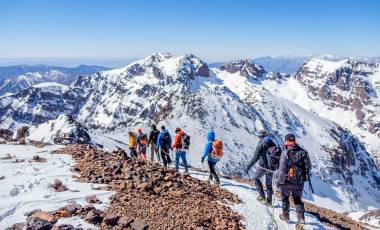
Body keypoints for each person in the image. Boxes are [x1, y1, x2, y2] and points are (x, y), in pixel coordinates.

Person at [276, 133, 312, 227]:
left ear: (287, 141)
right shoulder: (303, 152)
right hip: (299, 182)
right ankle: (301, 219)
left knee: (285, 199)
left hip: (286, 182)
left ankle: (286, 216)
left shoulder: (285, 153)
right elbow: (309, 167)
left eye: (285, 140)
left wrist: (278, 183)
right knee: (297, 199)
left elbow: (282, 170)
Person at [245, 129, 278, 205]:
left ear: (259, 136)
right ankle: (269, 202)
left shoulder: (261, 145)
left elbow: (255, 158)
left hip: (263, 167)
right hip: (272, 168)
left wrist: (248, 167)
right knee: (269, 185)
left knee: (256, 178)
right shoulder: (273, 143)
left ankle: (262, 197)